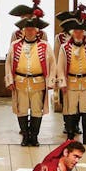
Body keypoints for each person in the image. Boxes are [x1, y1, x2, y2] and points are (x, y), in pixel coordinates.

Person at [5, 14, 54, 147]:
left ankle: (34, 136)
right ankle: (25, 136)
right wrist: (9, 80)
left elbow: (52, 64)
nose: (30, 31)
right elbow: (8, 64)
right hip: (20, 82)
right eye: (27, 29)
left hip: (38, 83)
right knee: (21, 109)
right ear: (23, 31)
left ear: (37, 31)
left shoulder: (45, 46)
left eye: (32, 29)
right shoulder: (15, 46)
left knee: (37, 110)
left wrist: (50, 83)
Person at [54, 16, 86, 144]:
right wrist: (61, 83)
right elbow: (60, 67)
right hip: (70, 83)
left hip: (85, 83)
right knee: (70, 110)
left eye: (81, 31)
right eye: (76, 31)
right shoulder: (64, 48)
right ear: (72, 33)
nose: (78, 34)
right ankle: (70, 136)